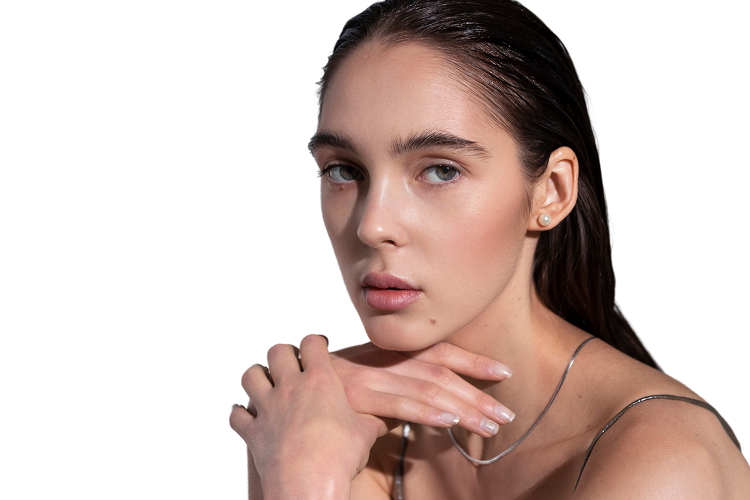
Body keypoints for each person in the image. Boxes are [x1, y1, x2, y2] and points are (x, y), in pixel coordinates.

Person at [230, 1, 750, 498]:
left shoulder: (667, 460)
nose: (372, 225)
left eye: (441, 170)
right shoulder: (328, 423)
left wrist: (299, 479)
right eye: (344, 170)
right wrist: (291, 445)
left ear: (551, 192)